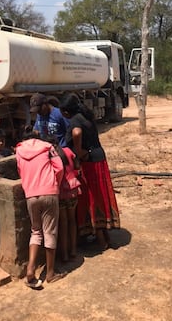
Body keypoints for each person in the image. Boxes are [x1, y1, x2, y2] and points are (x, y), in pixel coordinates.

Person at [59, 93, 120, 250]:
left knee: (91, 197)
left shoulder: (75, 121)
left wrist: (79, 152)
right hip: (99, 157)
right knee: (101, 194)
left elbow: (77, 133)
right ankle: (105, 235)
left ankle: (100, 239)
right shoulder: (86, 115)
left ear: (66, 111)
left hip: (89, 161)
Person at [15, 132, 65, 289]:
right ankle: (50, 273)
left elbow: (20, 171)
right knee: (50, 232)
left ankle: (30, 268)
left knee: (35, 232)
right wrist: (54, 183)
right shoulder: (48, 147)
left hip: (31, 194)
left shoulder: (19, 151)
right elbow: (60, 167)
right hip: (49, 192)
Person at [57, 145, 81, 263]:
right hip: (73, 189)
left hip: (60, 192)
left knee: (63, 223)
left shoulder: (51, 154)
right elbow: (77, 166)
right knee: (72, 220)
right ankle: (73, 250)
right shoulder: (68, 150)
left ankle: (64, 254)